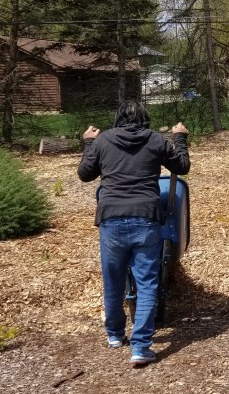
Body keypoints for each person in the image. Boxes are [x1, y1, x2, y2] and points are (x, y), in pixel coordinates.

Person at [78, 100, 190, 368]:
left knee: (113, 278)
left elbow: (85, 174)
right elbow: (181, 167)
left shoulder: (104, 141)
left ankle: (115, 335)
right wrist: (180, 138)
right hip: (145, 217)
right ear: (144, 118)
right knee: (147, 281)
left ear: (117, 118)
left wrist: (89, 143)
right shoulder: (155, 140)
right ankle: (140, 346)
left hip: (111, 218)